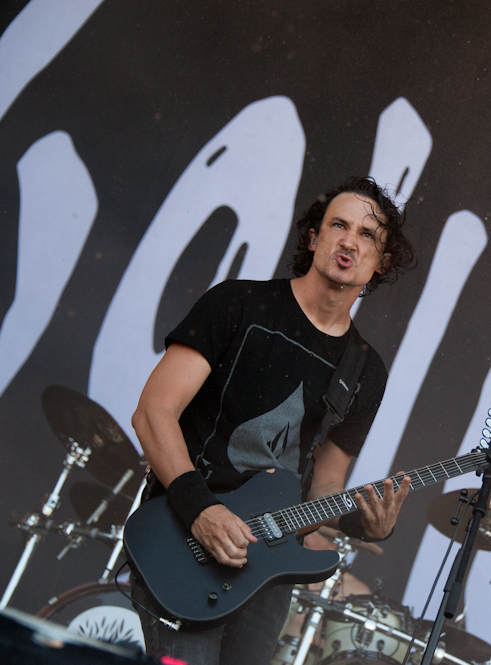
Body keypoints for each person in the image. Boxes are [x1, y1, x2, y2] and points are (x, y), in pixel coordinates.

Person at [129, 177, 415, 665]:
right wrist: (200, 510)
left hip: (268, 571)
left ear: (382, 262)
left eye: (368, 235)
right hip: (183, 538)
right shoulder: (238, 304)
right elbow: (154, 411)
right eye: (338, 225)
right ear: (313, 237)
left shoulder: (365, 370)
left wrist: (364, 525)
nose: (350, 241)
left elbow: (325, 483)